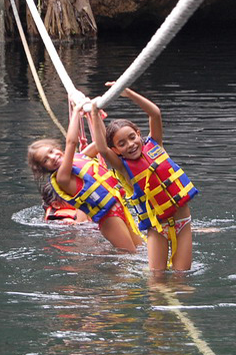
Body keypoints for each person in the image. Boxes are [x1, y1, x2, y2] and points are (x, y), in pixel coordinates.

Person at [90, 85, 198, 271]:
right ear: (115, 150)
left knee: (182, 277)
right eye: (122, 144)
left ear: (139, 134)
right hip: (157, 229)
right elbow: (101, 149)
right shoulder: (123, 168)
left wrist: (129, 93)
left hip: (182, 223)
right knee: (157, 280)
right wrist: (94, 113)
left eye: (132, 137)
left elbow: (155, 113)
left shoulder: (157, 145)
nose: (130, 145)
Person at [27, 101, 144, 252]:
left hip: (120, 207)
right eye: (46, 160)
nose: (52, 157)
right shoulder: (62, 177)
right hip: (108, 218)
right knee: (129, 255)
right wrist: (76, 111)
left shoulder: (80, 158)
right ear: (45, 168)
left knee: (140, 249)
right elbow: (71, 142)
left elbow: (102, 142)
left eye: (51, 151)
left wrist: (95, 115)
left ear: (57, 148)